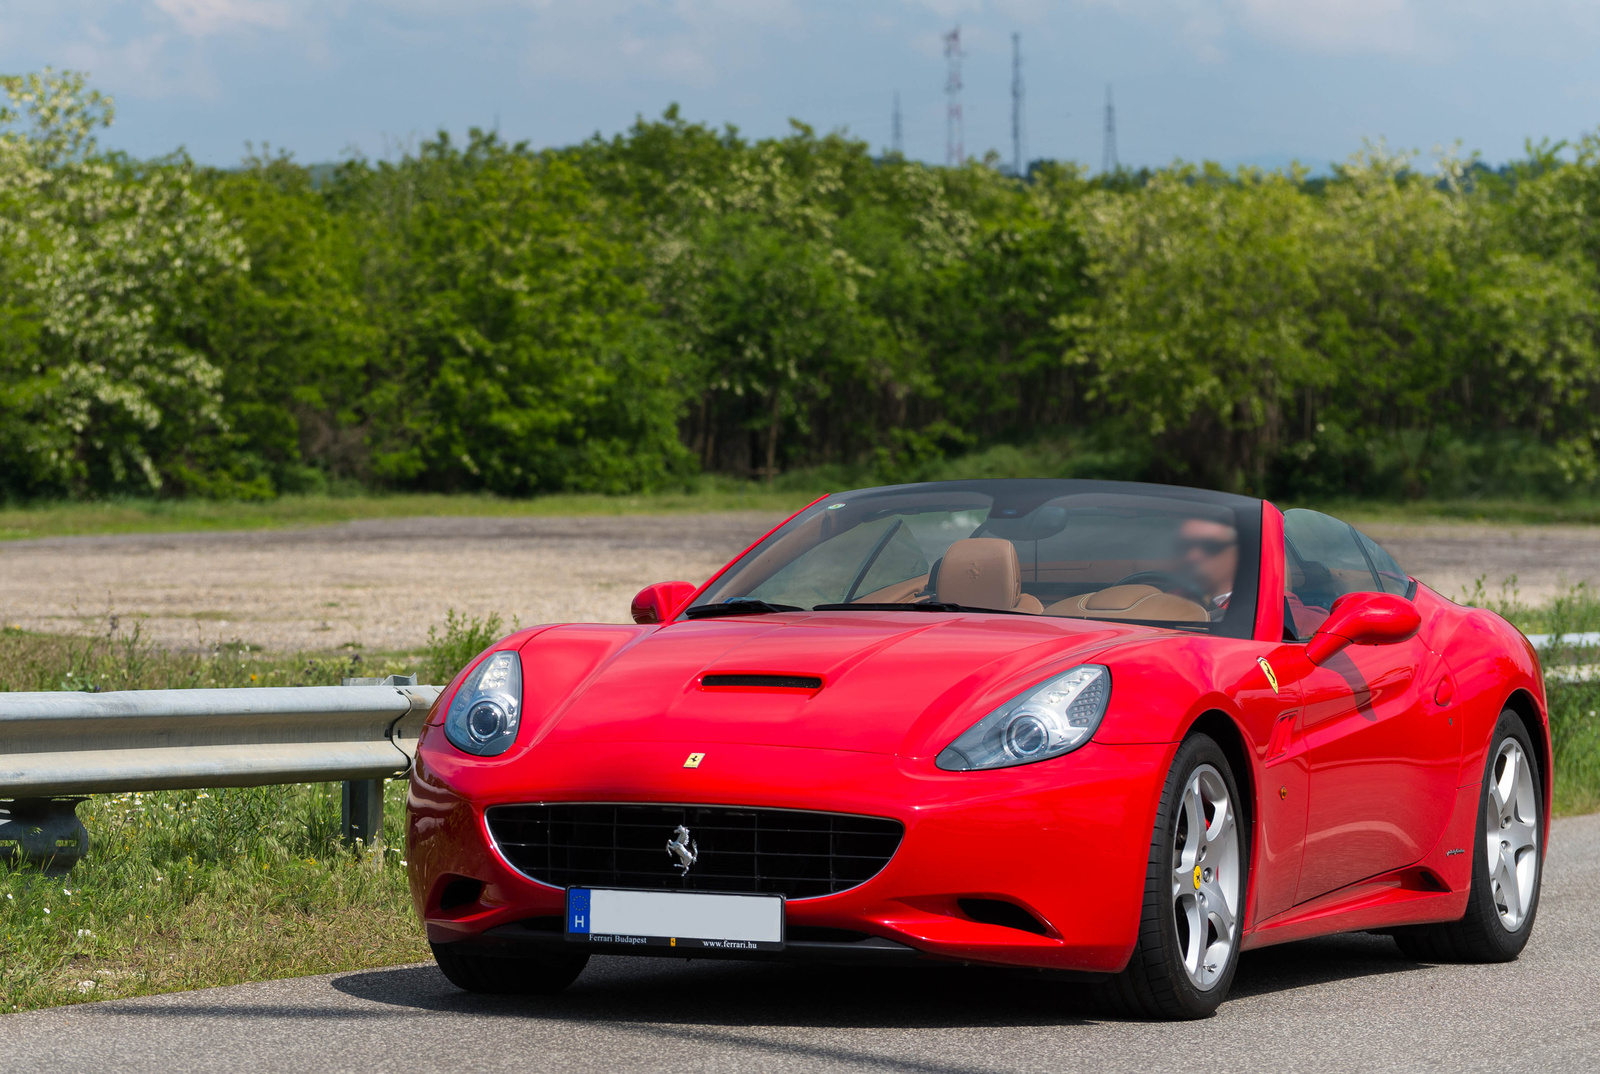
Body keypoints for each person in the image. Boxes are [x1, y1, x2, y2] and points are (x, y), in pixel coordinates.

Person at [1176, 518, 1238, 620]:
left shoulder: (1256, 609)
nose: (1192, 556)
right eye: (1184, 546)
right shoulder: (1166, 595)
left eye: (1210, 546)